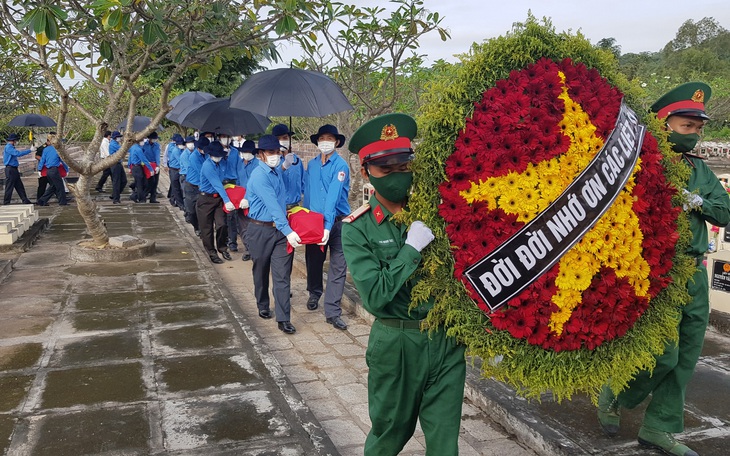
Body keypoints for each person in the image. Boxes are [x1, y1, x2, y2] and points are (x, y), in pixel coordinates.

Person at [597, 83, 730, 456]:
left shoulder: (699, 169)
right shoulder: (639, 163)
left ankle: (658, 427)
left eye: (697, 127)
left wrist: (698, 200)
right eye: (686, 126)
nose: (694, 133)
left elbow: (724, 210)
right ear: (663, 123)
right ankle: (615, 392)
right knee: (663, 354)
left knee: (686, 355)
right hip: (656, 274)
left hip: (694, 270)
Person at [342, 113, 466, 455]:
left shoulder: (434, 211)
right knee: (389, 436)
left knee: (445, 442)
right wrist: (410, 249)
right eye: (386, 169)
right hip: (397, 343)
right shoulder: (357, 228)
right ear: (366, 172)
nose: (397, 176)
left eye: (403, 166)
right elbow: (377, 296)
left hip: (445, 339)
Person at [245, 135, 300, 335]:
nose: (275, 156)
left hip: (279, 231)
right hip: (260, 229)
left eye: (277, 152)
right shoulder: (259, 176)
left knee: (282, 275)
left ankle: (283, 318)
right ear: (261, 155)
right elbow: (273, 205)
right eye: (270, 152)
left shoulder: (275, 171)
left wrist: (285, 166)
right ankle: (262, 303)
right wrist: (290, 232)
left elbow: (282, 197)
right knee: (260, 270)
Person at [303, 124, 350, 330]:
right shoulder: (311, 165)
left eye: (329, 138)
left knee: (338, 267)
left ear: (337, 142)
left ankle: (332, 311)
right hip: (314, 222)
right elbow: (309, 193)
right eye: (322, 138)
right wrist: (305, 220)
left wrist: (327, 226)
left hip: (337, 222)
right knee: (314, 261)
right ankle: (314, 293)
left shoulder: (341, 166)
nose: (325, 142)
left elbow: (332, 198)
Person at [196, 140, 234, 264]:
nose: (219, 157)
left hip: (218, 199)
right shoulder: (207, 166)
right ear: (210, 154)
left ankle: (222, 248)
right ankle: (211, 252)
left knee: (222, 224)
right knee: (206, 228)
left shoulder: (221, 164)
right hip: (206, 199)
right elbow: (217, 184)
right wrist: (228, 200)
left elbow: (226, 178)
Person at [233, 140, 257, 261]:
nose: (247, 154)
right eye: (245, 152)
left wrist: (247, 197)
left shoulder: (258, 165)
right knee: (242, 227)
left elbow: (256, 184)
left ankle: (254, 249)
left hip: (254, 200)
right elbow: (237, 181)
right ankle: (248, 248)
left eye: (249, 152)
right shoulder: (240, 164)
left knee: (253, 226)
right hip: (240, 200)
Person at [273, 123, 305, 209]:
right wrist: (283, 167)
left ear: (289, 139)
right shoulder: (272, 161)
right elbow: (271, 179)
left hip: (295, 206)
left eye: (285, 138)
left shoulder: (297, 161)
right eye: (278, 139)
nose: (281, 141)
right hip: (278, 206)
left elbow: (304, 183)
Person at [36, 136, 69, 206]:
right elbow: (63, 161)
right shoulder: (58, 150)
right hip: (54, 170)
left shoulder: (46, 149)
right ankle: (62, 202)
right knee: (60, 186)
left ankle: (42, 200)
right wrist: (67, 169)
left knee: (53, 186)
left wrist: (39, 169)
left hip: (48, 170)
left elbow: (42, 160)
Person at [3, 133, 33, 205]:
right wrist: (29, 150)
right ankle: (6, 202)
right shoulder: (9, 147)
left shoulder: (11, 147)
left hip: (14, 169)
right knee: (9, 186)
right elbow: (18, 154)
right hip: (10, 169)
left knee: (19, 185)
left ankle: (25, 199)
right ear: (13, 141)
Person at [182, 135, 202, 235]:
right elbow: (200, 172)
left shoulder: (206, 156)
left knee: (200, 210)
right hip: (191, 186)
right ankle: (196, 227)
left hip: (200, 188)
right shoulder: (193, 156)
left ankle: (201, 229)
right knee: (191, 212)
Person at [127, 135, 154, 203]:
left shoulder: (133, 147)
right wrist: (151, 169)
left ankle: (136, 196)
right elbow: (144, 160)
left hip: (134, 167)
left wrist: (129, 166)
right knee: (140, 184)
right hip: (137, 167)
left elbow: (130, 157)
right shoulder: (138, 149)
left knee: (140, 183)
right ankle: (140, 199)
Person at [108, 131, 128, 204]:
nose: (120, 138)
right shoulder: (113, 144)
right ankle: (116, 199)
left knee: (124, 181)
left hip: (118, 163)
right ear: (115, 137)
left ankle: (115, 194)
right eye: (118, 137)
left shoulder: (116, 143)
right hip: (115, 164)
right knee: (117, 182)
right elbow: (123, 149)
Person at [166, 134, 185, 210]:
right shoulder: (175, 151)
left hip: (178, 170)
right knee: (176, 188)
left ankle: (174, 200)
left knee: (177, 187)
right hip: (174, 170)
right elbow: (181, 161)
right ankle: (180, 204)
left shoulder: (181, 150)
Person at [143, 131, 161, 203]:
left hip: (155, 165)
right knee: (148, 182)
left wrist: (158, 165)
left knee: (155, 182)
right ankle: (143, 196)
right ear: (149, 138)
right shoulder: (144, 145)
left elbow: (157, 156)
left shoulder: (157, 145)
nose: (154, 140)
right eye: (153, 139)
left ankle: (153, 198)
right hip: (147, 165)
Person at [34, 133, 53, 200]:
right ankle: (40, 198)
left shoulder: (53, 147)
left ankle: (61, 197)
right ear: (48, 141)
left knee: (54, 184)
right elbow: (36, 156)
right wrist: (44, 159)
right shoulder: (42, 148)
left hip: (50, 168)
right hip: (43, 168)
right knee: (42, 185)